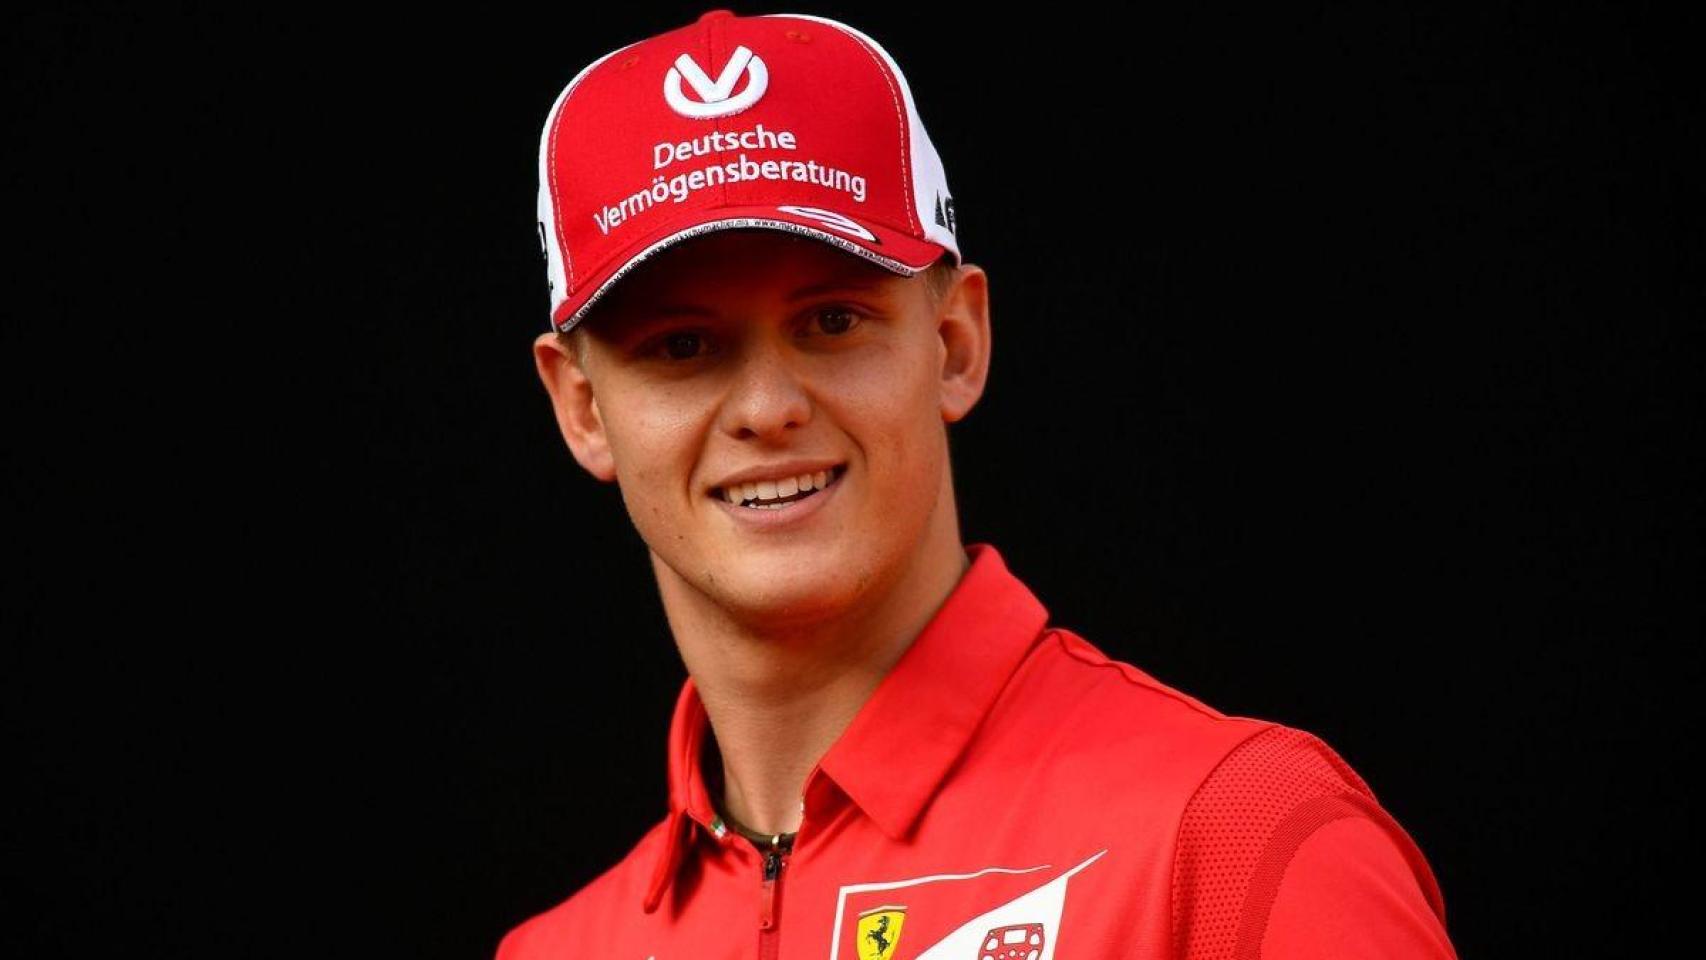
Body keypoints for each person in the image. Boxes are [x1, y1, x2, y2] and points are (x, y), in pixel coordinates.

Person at [501, 9, 1459, 959]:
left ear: (955, 345)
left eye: (832, 321)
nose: (767, 408)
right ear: (582, 409)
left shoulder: (1237, 839)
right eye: (682, 345)